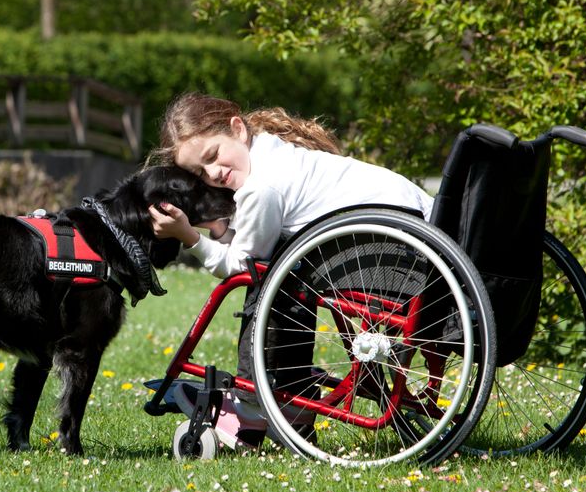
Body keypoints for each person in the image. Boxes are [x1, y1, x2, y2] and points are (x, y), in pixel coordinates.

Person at [149, 92, 434, 448]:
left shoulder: (261, 186)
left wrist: (189, 236)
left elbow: (241, 266)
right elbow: (257, 239)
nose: (213, 174)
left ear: (238, 129)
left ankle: (255, 402)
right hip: (414, 242)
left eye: (212, 156)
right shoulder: (277, 154)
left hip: (390, 257)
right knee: (282, 265)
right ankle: (288, 399)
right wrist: (220, 230)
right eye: (198, 172)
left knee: (268, 275)